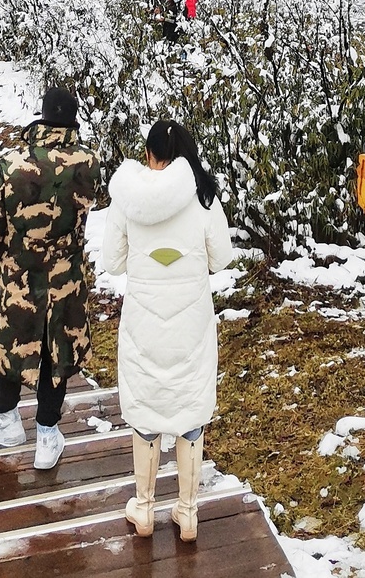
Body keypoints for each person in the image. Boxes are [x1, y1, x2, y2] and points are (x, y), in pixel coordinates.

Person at [103, 118, 233, 543]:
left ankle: (143, 507)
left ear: (148, 155)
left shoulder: (127, 200)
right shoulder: (205, 197)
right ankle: (188, 511)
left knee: (145, 409)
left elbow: (112, 262)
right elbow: (222, 258)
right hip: (191, 321)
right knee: (189, 410)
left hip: (143, 321)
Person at [0, 87, 98, 472]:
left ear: (42, 116)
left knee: (12, 342)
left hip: (17, 272)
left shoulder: (11, 164)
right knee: (56, 350)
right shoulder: (90, 163)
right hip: (66, 277)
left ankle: (6, 420)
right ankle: (47, 435)